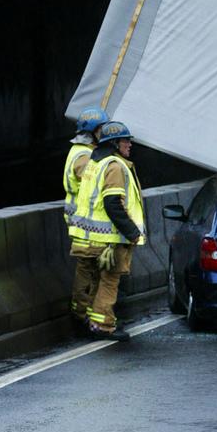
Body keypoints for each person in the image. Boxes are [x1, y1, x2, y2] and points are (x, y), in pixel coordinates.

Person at [69, 121, 145, 341]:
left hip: (89, 236)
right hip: (109, 238)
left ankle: (89, 319)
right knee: (110, 280)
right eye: (125, 140)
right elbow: (113, 203)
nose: (129, 144)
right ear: (114, 143)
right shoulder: (114, 166)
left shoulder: (95, 161)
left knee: (94, 279)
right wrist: (132, 232)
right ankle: (102, 325)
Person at [62, 106, 110, 335]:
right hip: (84, 224)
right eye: (102, 129)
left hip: (84, 222)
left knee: (90, 270)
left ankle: (84, 314)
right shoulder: (83, 156)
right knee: (87, 270)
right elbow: (93, 182)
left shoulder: (83, 151)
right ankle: (81, 316)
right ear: (93, 131)